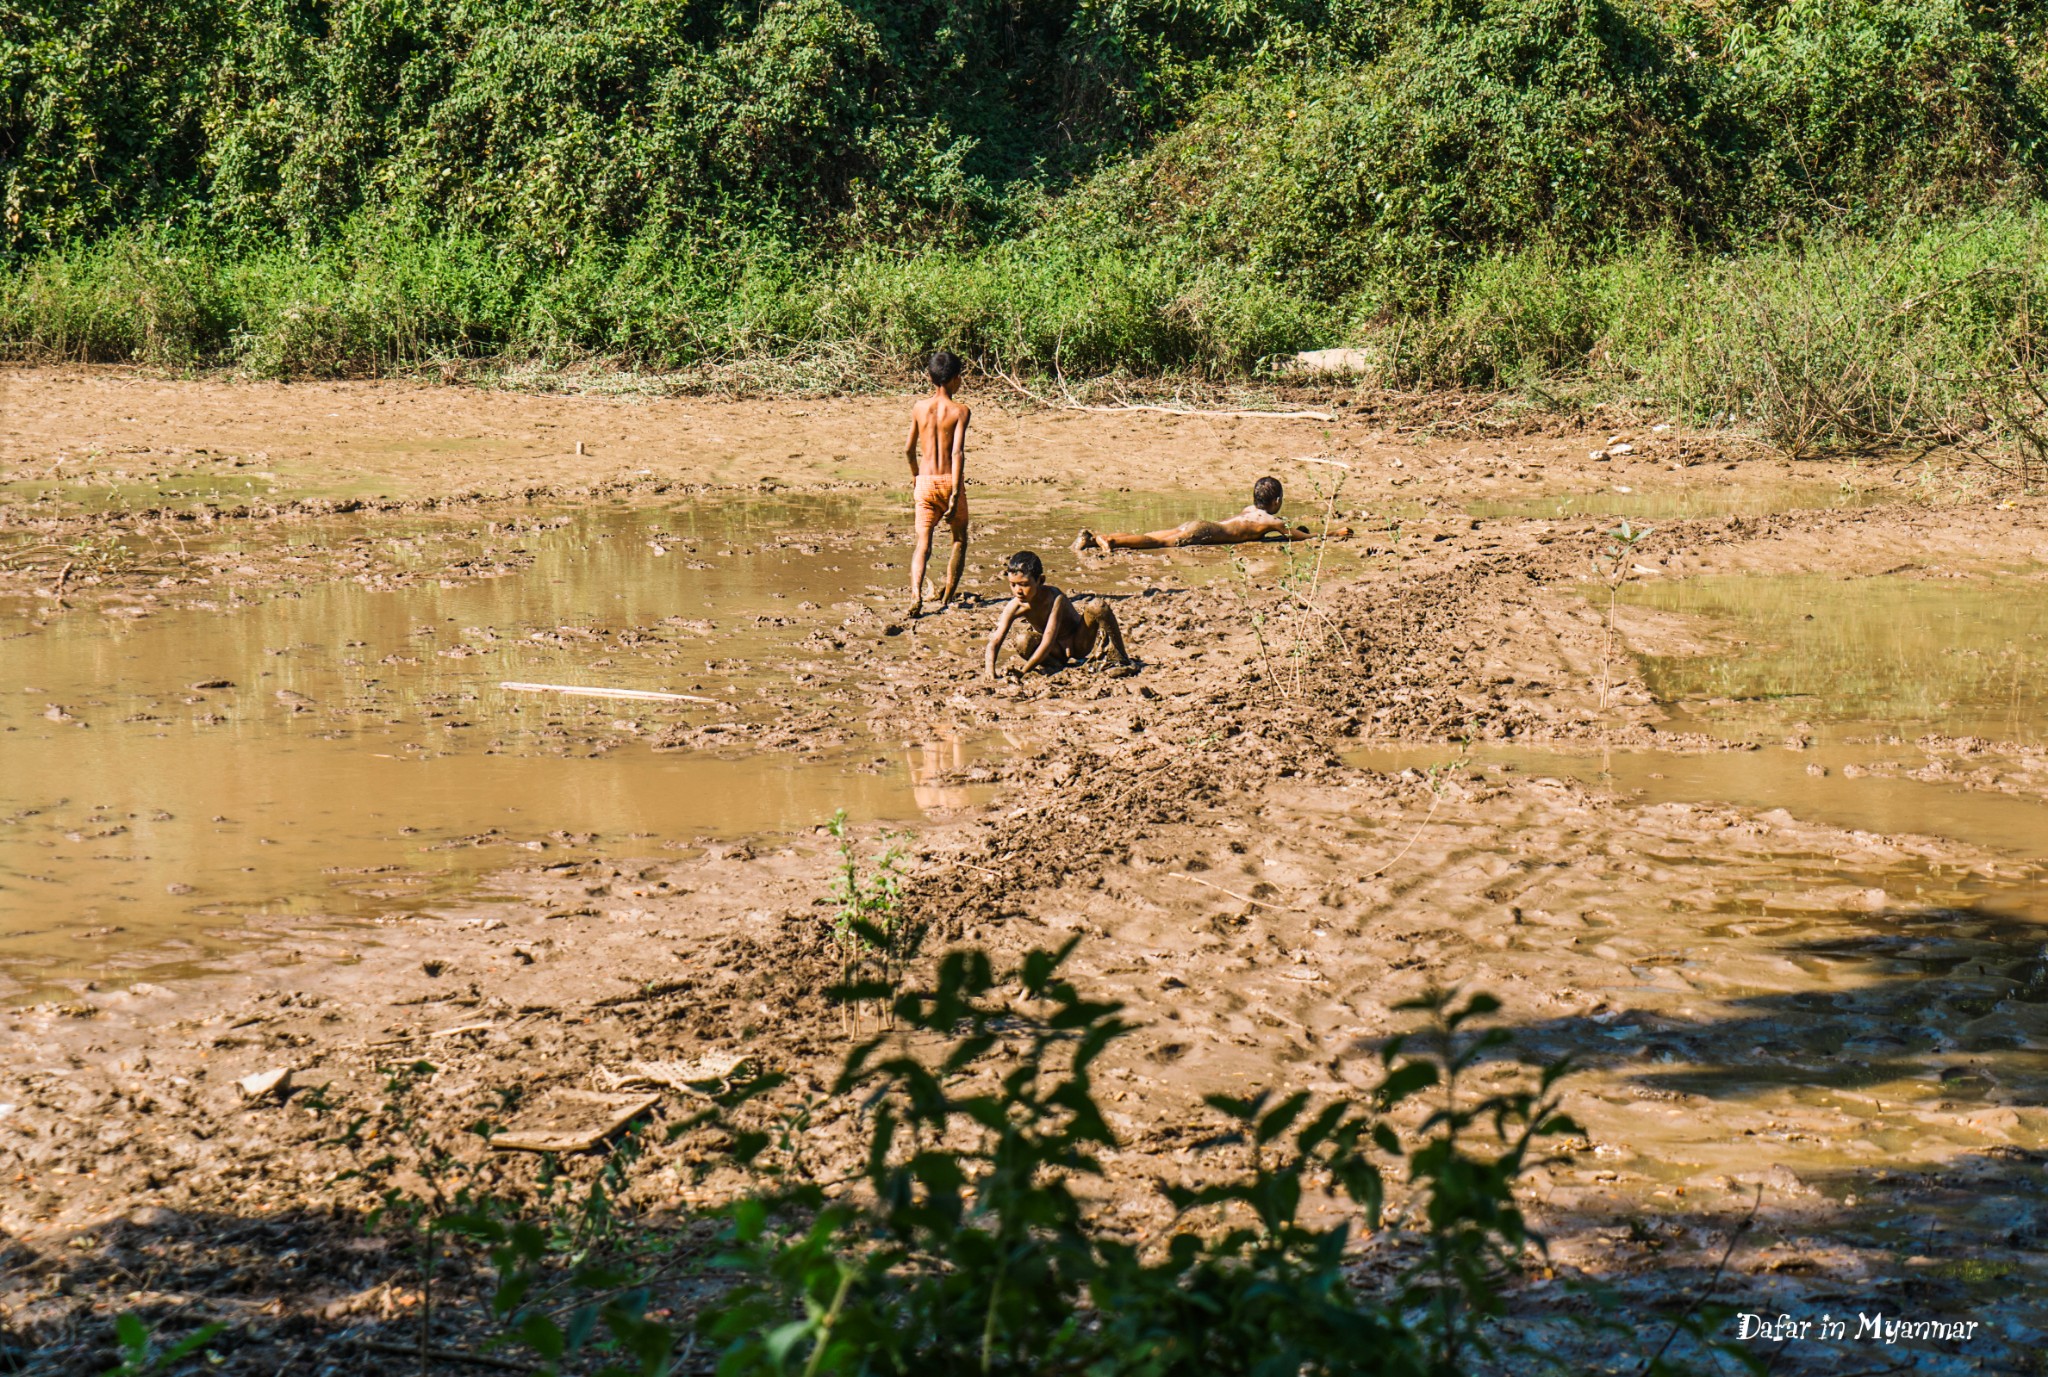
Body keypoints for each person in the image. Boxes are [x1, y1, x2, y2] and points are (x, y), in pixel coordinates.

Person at [1071, 476, 1350, 553]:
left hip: (1203, 525)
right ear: (1276, 501)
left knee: (1156, 534)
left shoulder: (1249, 511)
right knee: (1159, 543)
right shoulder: (1272, 521)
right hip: (1206, 532)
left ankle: (1098, 538)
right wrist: (1335, 533)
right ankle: (1115, 543)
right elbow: (1303, 538)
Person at [985, 551, 1129, 678]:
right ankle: (1054, 665)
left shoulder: (1055, 598)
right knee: (1023, 640)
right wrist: (989, 672)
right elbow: (995, 641)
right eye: (1013, 584)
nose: (1018, 591)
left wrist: (1023, 672)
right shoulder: (1015, 605)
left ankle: (1120, 657)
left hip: (1078, 643)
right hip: (1056, 651)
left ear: (1040, 580)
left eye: (1024, 584)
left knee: (1097, 605)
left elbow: (1048, 639)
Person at [904, 350, 971, 617]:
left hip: (926, 481)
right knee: (959, 539)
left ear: (930, 378)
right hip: (948, 481)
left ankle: (916, 595)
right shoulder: (961, 411)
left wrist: (915, 475)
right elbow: (957, 453)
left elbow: (909, 450)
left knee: (923, 543)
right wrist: (955, 493)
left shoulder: (919, 408)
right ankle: (946, 596)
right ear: (955, 379)